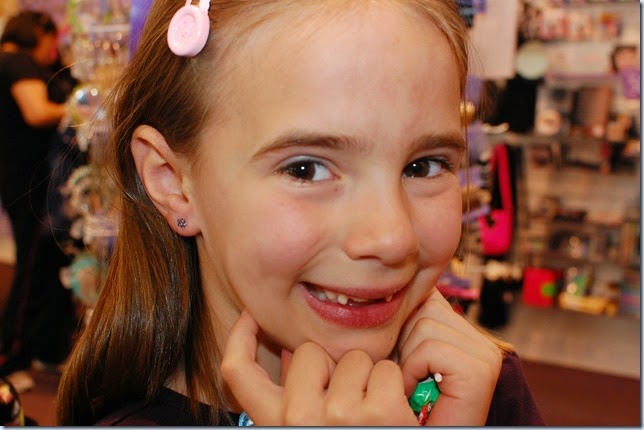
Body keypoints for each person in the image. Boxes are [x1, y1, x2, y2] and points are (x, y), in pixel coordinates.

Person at [56, 0, 544, 426]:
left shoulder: (479, 391)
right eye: (307, 169)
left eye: (424, 166)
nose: (393, 238)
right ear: (172, 182)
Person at [0, 11, 76, 383]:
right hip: (28, 182)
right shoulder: (15, 61)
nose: (54, 50)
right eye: (52, 41)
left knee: (45, 261)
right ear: (38, 33)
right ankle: (10, 357)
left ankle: (47, 347)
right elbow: (36, 112)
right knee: (31, 269)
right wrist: (84, 110)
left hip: (30, 181)